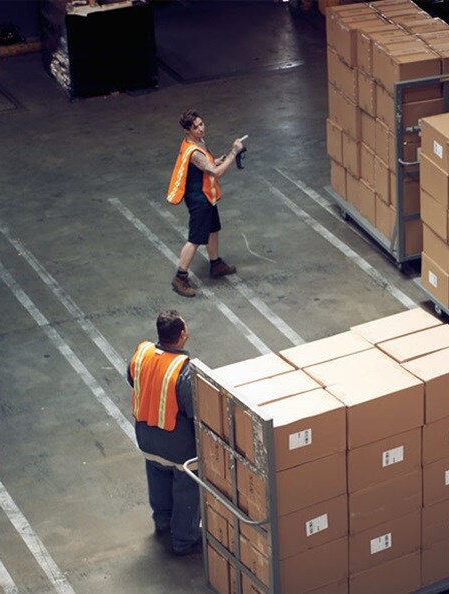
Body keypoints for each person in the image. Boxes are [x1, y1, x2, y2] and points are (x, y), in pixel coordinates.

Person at [127, 310, 200, 555]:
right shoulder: (184, 369)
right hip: (177, 443)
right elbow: (193, 410)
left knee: (157, 474)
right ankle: (184, 539)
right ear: (181, 335)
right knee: (187, 487)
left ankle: (162, 521)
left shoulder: (143, 353)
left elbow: (132, 378)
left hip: (146, 436)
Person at [166, 109, 246, 297]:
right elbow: (215, 172)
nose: (201, 129)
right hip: (199, 199)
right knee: (195, 239)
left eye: (202, 124)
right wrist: (234, 153)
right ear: (188, 130)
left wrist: (217, 160)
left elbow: (208, 164)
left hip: (207, 195)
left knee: (212, 229)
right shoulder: (194, 152)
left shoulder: (197, 142)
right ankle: (180, 276)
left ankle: (215, 263)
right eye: (196, 127)